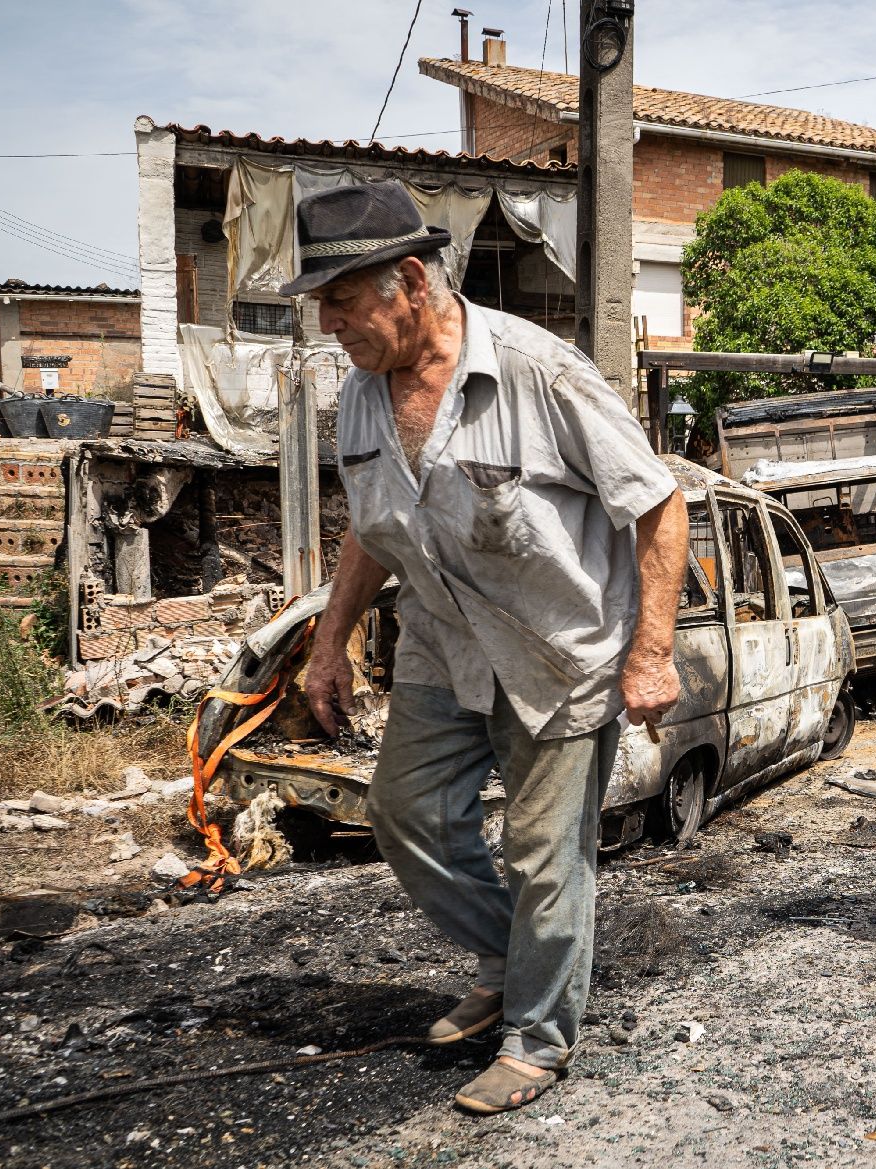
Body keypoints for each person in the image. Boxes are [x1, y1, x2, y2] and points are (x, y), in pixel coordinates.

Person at [282, 182, 688, 1112]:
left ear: (412, 282)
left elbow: (661, 504)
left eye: (343, 299)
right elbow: (371, 526)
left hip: (558, 653)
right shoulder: (359, 399)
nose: (328, 321)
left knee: (546, 854)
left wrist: (651, 651)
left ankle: (538, 1037)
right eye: (321, 303)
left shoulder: (543, 373)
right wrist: (330, 641)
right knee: (406, 811)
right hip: (442, 645)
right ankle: (518, 961)